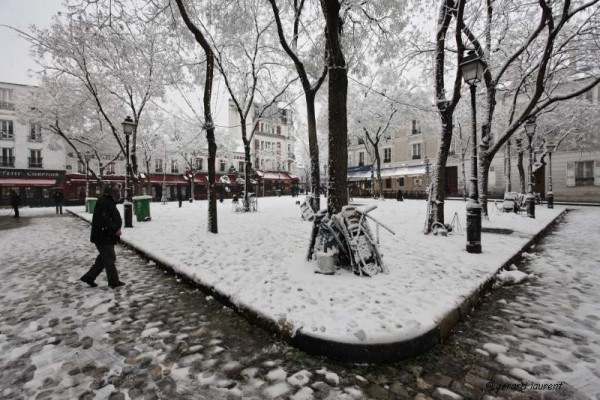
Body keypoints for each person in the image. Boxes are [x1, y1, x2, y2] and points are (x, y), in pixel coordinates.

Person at [80, 186, 125, 289]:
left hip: (104, 236)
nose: (118, 194)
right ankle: (113, 281)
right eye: (117, 192)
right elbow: (105, 220)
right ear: (111, 193)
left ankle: (89, 277)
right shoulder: (104, 202)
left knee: (104, 258)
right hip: (103, 236)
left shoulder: (107, 201)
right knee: (109, 258)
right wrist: (115, 230)